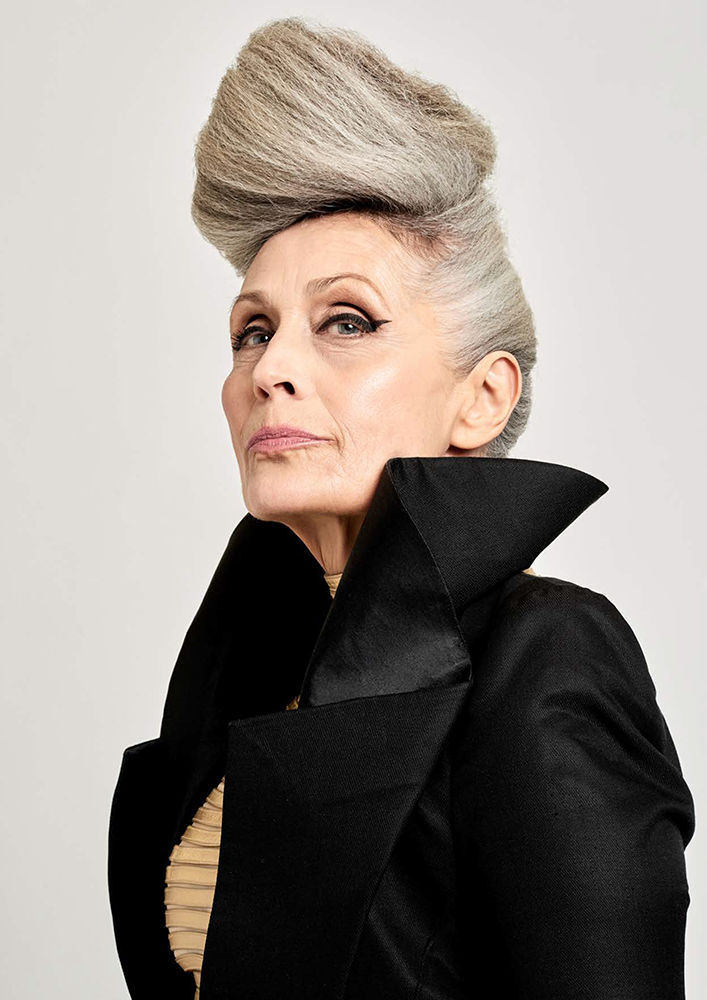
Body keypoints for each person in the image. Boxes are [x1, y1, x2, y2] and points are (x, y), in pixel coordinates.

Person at [107, 16, 695, 1000]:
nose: (271, 368)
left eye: (345, 321)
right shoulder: (255, 666)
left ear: (481, 398)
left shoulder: (543, 655)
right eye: (252, 330)